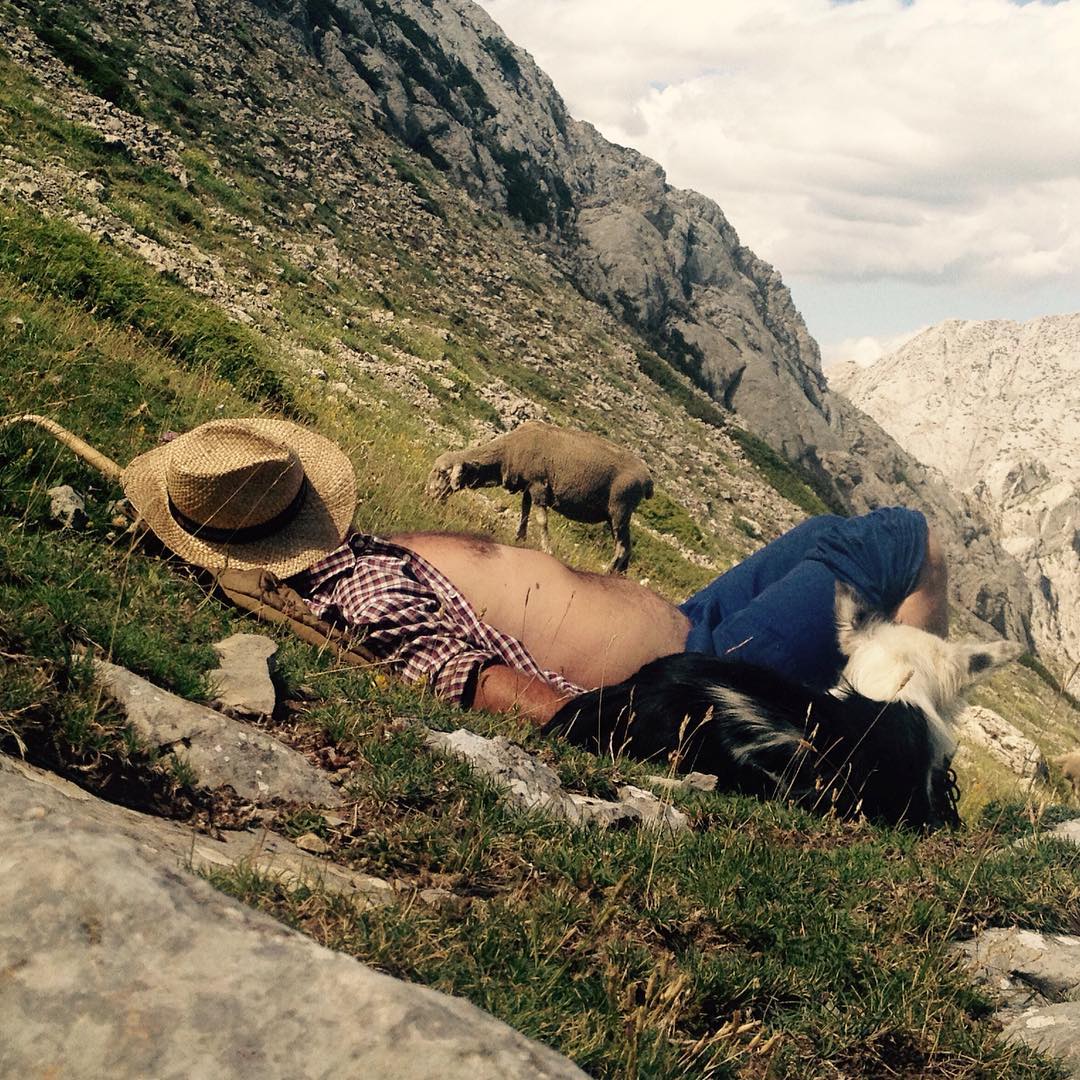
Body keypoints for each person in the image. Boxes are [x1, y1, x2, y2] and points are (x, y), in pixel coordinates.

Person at [122, 417, 948, 724]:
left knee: (829, 529)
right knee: (907, 539)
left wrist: (194, 483)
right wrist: (625, 729)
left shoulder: (349, 557)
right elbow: (467, 676)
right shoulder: (354, 589)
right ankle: (913, 755)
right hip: (693, 673)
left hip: (693, 622)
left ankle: (885, 720)